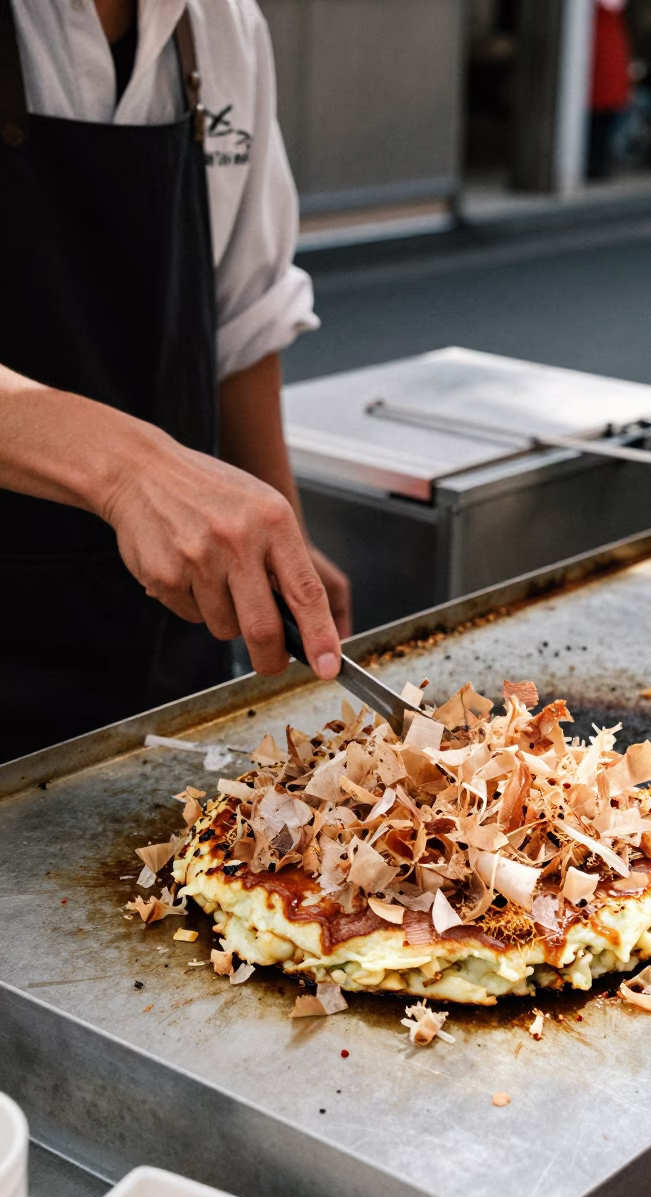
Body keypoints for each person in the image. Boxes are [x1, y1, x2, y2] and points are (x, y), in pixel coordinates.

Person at [0, 0, 351, 764]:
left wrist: (279, 540)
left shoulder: (223, 26)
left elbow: (244, 317)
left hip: (168, 645)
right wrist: (130, 470)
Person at [587, 0, 632, 181]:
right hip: (601, 68)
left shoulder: (610, 18)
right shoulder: (605, 17)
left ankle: (597, 164)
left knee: (602, 122)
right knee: (599, 121)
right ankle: (596, 165)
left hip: (607, 69)